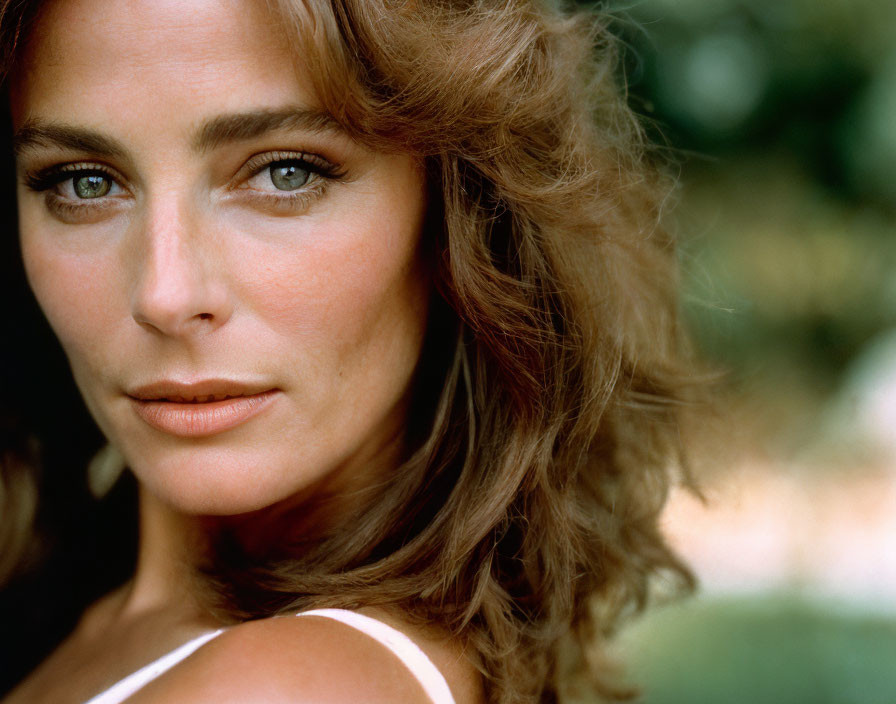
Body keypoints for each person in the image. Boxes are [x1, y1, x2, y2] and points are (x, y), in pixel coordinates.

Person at [0, 0, 699, 702]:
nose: (164, 294)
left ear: (460, 215)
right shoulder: (67, 608)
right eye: (82, 182)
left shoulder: (286, 687)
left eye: (285, 173)